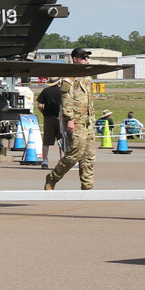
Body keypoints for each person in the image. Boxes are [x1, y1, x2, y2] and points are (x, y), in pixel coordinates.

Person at [46, 48, 95, 191]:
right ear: (75, 59)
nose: (86, 60)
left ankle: (87, 186)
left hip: (88, 121)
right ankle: (53, 177)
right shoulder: (69, 78)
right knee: (75, 153)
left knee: (88, 156)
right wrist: (70, 120)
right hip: (76, 121)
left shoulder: (87, 77)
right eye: (83, 57)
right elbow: (66, 100)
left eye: (87, 57)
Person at [37, 82, 63, 155]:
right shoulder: (62, 91)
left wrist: (44, 113)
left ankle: (45, 160)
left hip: (48, 117)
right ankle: (62, 160)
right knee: (61, 140)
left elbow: (40, 105)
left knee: (46, 141)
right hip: (60, 118)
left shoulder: (45, 91)